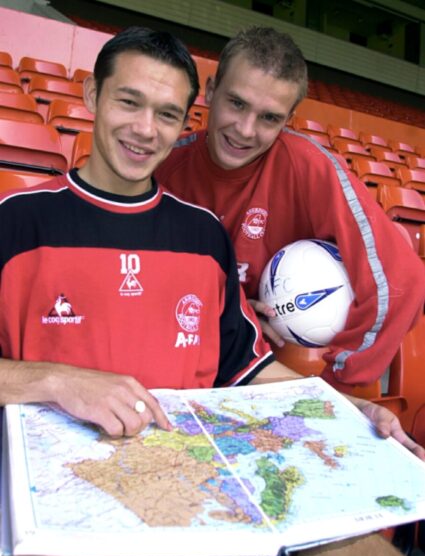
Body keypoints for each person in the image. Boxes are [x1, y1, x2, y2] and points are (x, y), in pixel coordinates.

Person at [0, 25, 422, 464]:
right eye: (129, 102)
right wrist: (57, 382)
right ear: (92, 95)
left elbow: (243, 365)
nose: (145, 129)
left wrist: (351, 406)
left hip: (185, 474)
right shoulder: (14, 219)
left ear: (184, 119)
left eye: (166, 114)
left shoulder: (205, 234)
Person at [156, 26, 425, 394]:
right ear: (211, 90)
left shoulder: (310, 168)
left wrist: (335, 388)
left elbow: (403, 281)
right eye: (236, 103)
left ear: (289, 119)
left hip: (274, 378)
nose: (245, 130)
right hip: (181, 364)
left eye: (269, 118)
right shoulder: (164, 167)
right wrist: (231, 311)